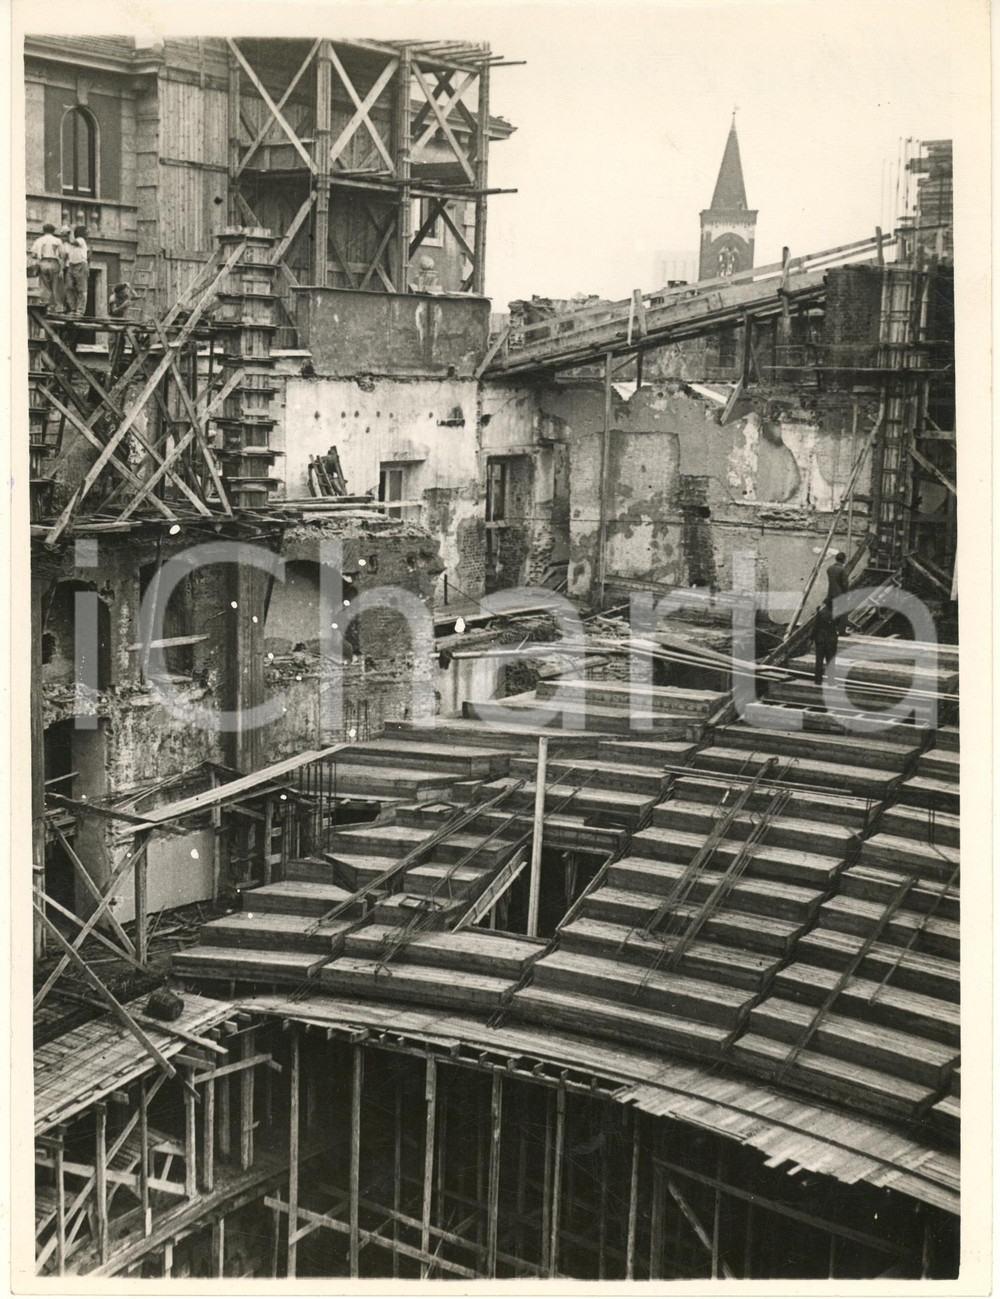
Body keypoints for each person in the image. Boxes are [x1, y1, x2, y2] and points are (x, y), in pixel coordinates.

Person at [30, 223, 65, 311]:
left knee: (45, 286)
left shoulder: (38, 240)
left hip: (43, 262)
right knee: (55, 285)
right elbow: (62, 254)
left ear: (43, 230)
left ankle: (47, 307)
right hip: (54, 262)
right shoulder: (57, 240)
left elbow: (33, 254)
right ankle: (57, 308)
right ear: (53, 231)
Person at [63, 224, 90, 317]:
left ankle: (80, 310)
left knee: (81, 289)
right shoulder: (69, 244)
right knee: (68, 287)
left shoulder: (81, 240)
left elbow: (72, 240)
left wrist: (71, 230)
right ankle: (73, 309)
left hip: (80, 265)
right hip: (71, 266)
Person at [813, 602, 839, 686]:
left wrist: (811, 637)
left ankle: (818, 680)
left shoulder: (820, 613)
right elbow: (839, 625)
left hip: (820, 640)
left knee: (819, 660)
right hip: (831, 640)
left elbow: (815, 627)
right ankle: (831, 681)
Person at [825, 550, 850, 635]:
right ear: (843, 560)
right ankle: (842, 631)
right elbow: (844, 584)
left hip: (830, 594)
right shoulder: (842, 570)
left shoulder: (830, 568)